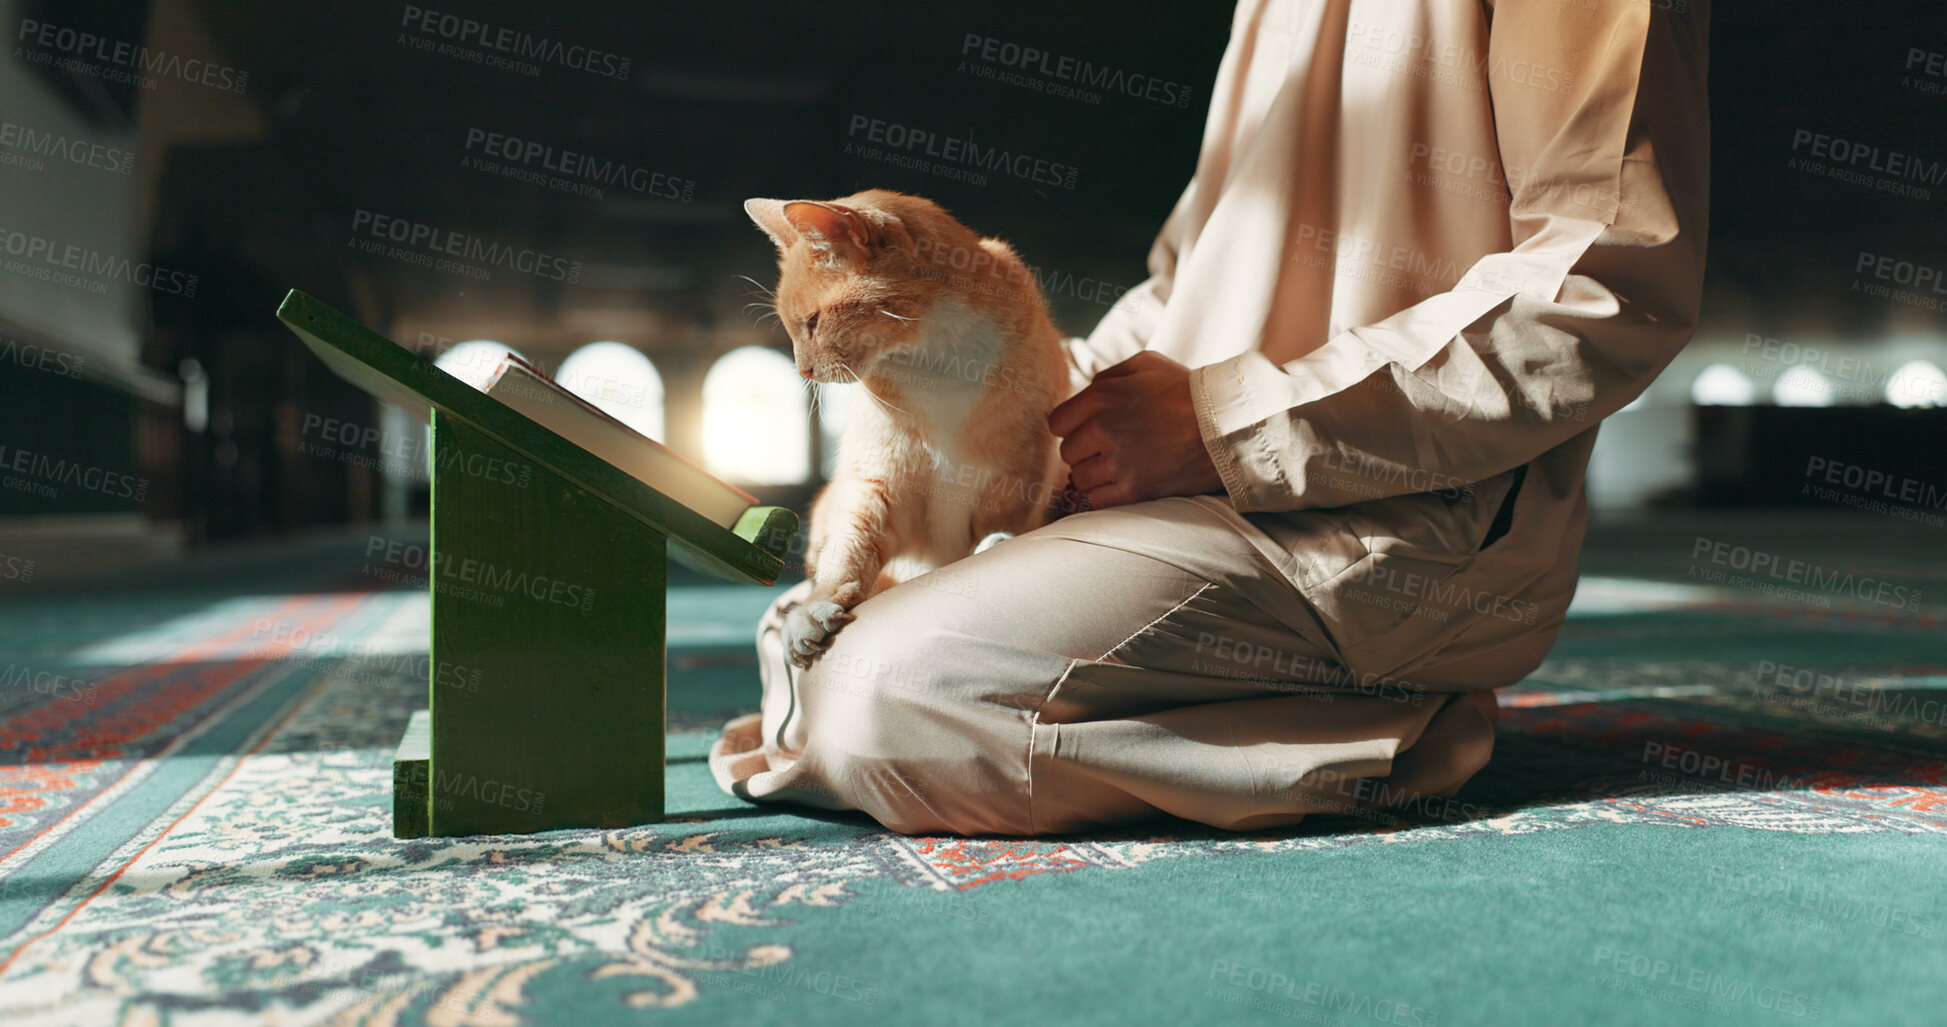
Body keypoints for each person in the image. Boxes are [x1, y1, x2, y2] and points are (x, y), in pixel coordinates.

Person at [711, 0, 1710, 836]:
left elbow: (1605, 287)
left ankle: (1391, 718)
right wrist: (1039, 401)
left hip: (1398, 519)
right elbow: (1183, 288)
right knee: (815, 628)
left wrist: (1234, 425)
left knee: (889, 694)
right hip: (1191, 482)